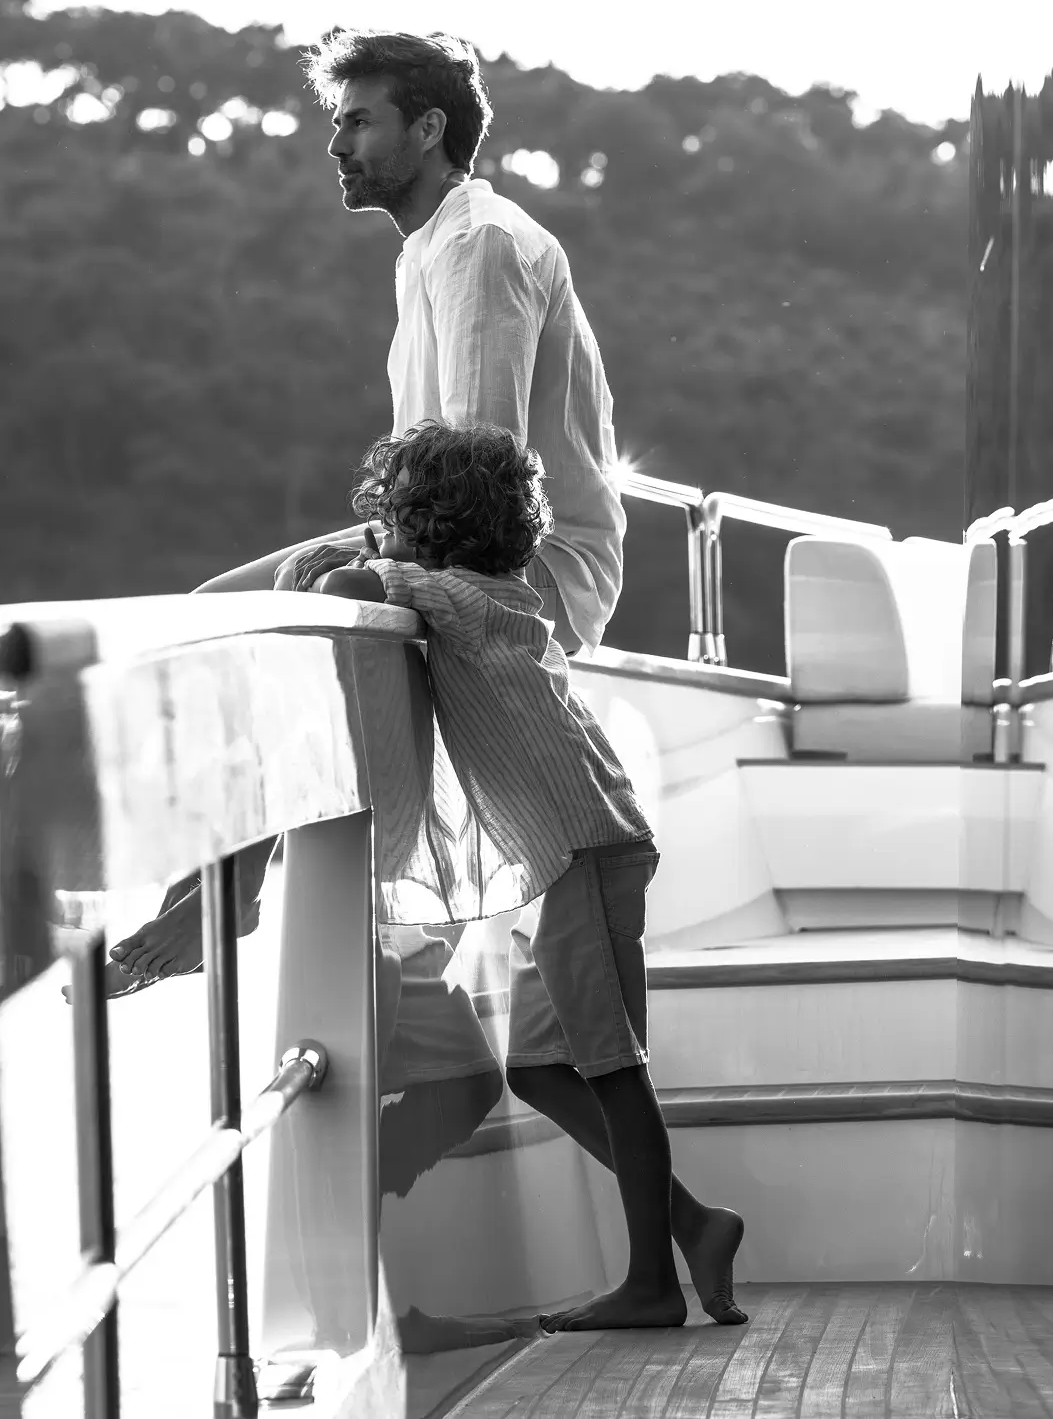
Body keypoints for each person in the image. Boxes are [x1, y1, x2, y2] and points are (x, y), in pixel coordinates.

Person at [106, 25, 625, 983]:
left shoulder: (481, 244)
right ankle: (215, 887)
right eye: (336, 123)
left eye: (358, 122)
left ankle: (230, 889)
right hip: (446, 525)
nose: (336, 146)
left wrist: (375, 568)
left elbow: (485, 471)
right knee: (218, 612)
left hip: (523, 562)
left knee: (309, 604)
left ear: (428, 128)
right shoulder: (428, 246)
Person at [285, 418, 748, 1334]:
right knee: (539, 1069)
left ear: (416, 522)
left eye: (393, 512)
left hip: (586, 849)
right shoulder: (498, 590)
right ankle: (697, 1226)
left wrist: (363, 545)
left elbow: (332, 586)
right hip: (582, 845)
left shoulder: (446, 597)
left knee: (614, 1067)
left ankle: (654, 1281)